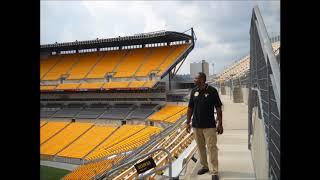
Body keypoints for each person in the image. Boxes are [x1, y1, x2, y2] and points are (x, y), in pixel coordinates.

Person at [185, 72, 223, 180]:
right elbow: (190, 108)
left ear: (202, 79)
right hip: (196, 125)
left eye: (196, 78)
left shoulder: (212, 91)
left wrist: (220, 124)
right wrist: (187, 123)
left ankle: (214, 171)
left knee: (212, 148)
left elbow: (218, 108)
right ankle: (205, 166)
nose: (194, 79)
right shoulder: (194, 91)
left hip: (209, 126)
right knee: (201, 148)